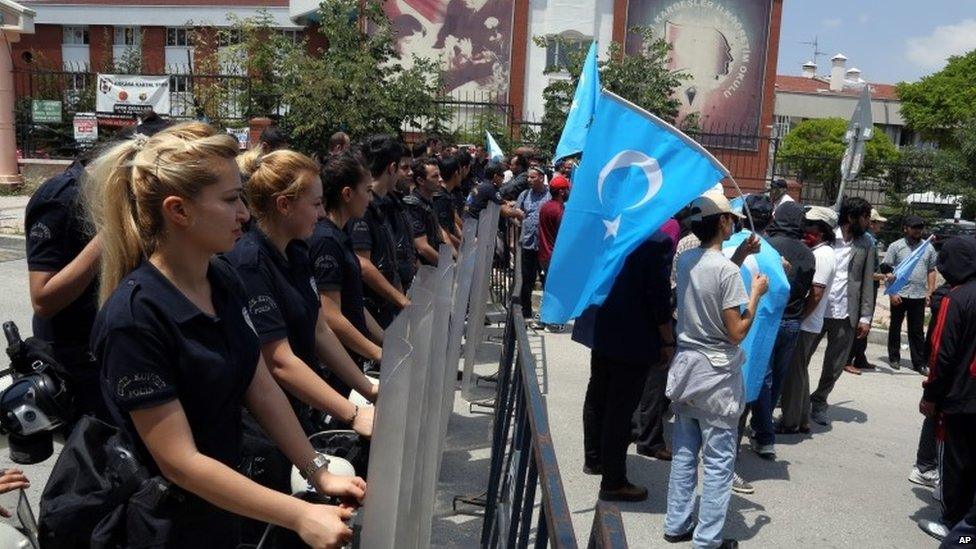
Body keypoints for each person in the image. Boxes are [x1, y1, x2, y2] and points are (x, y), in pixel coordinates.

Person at [88, 124, 365, 548]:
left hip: (223, 511)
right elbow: (180, 463)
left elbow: (260, 384)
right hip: (168, 528)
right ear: (178, 211)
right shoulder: (134, 318)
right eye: (232, 200)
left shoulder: (221, 278)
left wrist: (318, 470)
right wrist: (300, 513)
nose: (245, 214)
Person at [228, 147, 377, 436]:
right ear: (284, 205)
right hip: (269, 425)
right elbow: (278, 360)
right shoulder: (250, 263)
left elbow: (320, 332)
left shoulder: (297, 251)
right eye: (316, 204)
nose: (322, 213)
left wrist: (369, 388)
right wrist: (353, 413)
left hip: (302, 407)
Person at [664, 192, 767, 549]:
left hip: (687, 368)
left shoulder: (688, 258)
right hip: (717, 374)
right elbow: (736, 332)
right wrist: (756, 294)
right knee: (720, 462)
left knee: (685, 452)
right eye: (730, 218)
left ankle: (677, 523)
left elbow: (713, 272)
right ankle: (707, 539)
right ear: (722, 222)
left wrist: (740, 256)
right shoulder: (724, 270)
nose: (734, 222)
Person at [577, 229, 675, 502]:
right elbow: (659, 299)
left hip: (603, 326)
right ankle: (614, 480)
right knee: (620, 409)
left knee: (598, 394)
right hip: (632, 336)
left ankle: (595, 459)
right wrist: (667, 341)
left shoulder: (612, 230)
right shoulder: (656, 243)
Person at [25, 154, 109, 422]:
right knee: (95, 452)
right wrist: (112, 233)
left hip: (110, 349)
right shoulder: (62, 197)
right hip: (76, 357)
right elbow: (43, 298)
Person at [916, 237, 976, 542]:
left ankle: (953, 525)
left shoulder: (956, 299)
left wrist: (930, 395)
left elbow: (942, 353)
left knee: (955, 462)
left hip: (960, 397)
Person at [748, 202, 815, 460]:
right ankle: (761, 427)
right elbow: (814, 293)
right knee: (777, 376)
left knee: (761, 376)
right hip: (792, 321)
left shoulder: (766, 245)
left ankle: (764, 434)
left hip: (767, 318)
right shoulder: (808, 254)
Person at [310, 152, 385, 370]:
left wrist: (386, 343)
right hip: (336, 364)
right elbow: (331, 315)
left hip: (352, 357)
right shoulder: (327, 241)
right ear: (347, 193)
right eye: (368, 191)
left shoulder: (340, 236)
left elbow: (355, 304)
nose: (370, 200)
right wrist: (378, 353)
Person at [809, 197, 876, 425]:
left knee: (835, 364)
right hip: (816, 308)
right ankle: (787, 396)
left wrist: (866, 317)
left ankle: (819, 402)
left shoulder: (866, 244)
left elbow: (867, 281)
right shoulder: (826, 236)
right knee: (800, 358)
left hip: (845, 313)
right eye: (866, 217)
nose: (868, 222)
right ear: (851, 218)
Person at [778, 206, 838, 434]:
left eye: (810, 225)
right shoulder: (822, 251)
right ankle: (801, 419)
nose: (805, 228)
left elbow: (816, 293)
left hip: (806, 323)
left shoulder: (822, 255)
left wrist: (799, 318)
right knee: (799, 372)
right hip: (807, 322)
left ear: (821, 230)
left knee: (794, 374)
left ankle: (790, 421)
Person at [349, 135, 410, 327]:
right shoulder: (364, 206)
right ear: (391, 168)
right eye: (401, 167)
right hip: (374, 309)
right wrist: (401, 300)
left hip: (389, 305)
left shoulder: (386, 203)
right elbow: (363, 264)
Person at [882, 215, 937, 375]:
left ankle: (919, 363)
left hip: (919, 295)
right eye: (914, 227)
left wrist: (930, 292)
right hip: (899, 293)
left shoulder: (928, 248)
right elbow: (887, 270)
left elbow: (931, 270)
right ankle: (894, 357)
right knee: (895, 327)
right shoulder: (895, 246)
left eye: (920, 227)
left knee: (917, 331)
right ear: (905, 228)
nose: (918, 230)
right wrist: (892, 292)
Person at [847, 207, 886, 372]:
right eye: (878, 223)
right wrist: (882, 277)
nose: (880, 226)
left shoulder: (871, 240)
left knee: (865, 322)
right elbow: (867, 272)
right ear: (871, 223)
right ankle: (848, 359)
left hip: (871, 286)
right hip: (865, 287)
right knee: (860, 323)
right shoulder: (866, 240)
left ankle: (859, 357)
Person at [515, 167, 550, 320]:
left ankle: (547, 313)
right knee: (526, 280)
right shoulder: (524, 195)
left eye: (532, 177)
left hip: (544, 245)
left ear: (541, 178)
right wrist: (518, 218)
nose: (529, 180)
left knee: (546, 280)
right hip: (527, 243)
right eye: (528, 177)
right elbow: (516, 214)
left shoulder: (549, 195)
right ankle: (526, 312)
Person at [536, 175, 569, 332]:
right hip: (554, 255)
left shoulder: (545, 207)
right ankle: (549, 320)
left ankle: (542, 319)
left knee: (549, 287)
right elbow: (564, 235)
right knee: (555, 289)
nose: (569, 191)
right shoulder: (560, 210)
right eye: (567, 189)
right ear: (561, 192)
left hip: (544, 254)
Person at [402, 157, 449, 266]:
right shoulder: (413, 205)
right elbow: (422, 247)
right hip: (425, 273)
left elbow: (440, 233)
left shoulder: (429, 202)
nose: (441, 179)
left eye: (440, 175)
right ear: (420, 181)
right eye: (435, 176)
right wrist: (447, 266)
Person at [433, 154, 464, 249]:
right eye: (460, 171)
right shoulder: (441, 198)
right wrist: (462, 249)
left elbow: (454, 225)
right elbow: (445, 234)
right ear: (455, 173)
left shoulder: (447, 195)